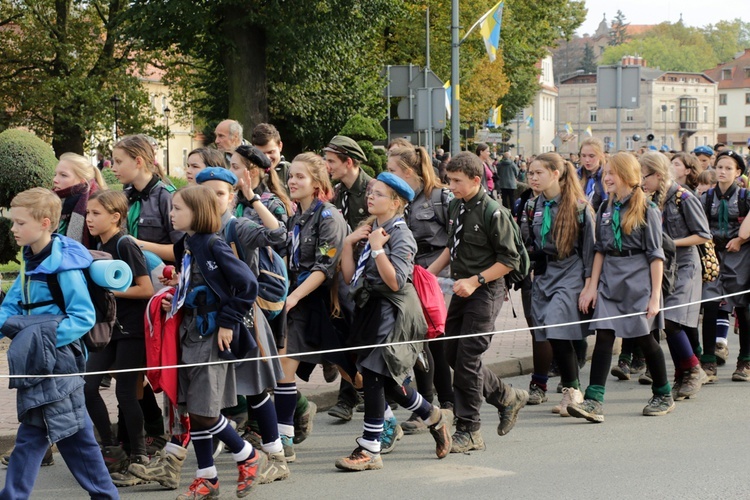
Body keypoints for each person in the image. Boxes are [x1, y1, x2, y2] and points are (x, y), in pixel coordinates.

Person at [0, 187, 119, 499]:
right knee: (73, 437)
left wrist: (41, 340)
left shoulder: (64, 267)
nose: (13, 229)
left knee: (35, 435)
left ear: (44, 223)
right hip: (40, 362)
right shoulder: (29, 260)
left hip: (58, 361)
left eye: (19, 223)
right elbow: (10, 309)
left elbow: (82, 317)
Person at [335, 173, 452, 471]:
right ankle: (433, 416)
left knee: (374, 375)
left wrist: (377, 248)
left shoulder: (400, 234)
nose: (370, 196)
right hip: (370, 309)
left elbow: (397, 281)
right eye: (371, 191)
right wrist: (348, 244)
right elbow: (350, 278)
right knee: (389, 384)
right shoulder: (372, 228)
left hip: (394, 312)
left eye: (379, 194)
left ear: (396, 202)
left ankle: (370, 449)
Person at [427, 152, 528, 452]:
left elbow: (509, 260)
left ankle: (470, 430)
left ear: (475, 179)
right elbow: (452, 247)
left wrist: (476, 281)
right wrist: (427, 275)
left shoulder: (494, 212)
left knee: (468, 359)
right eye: (449, 180)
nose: (451, 186)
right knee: (450, 352)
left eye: (457, 181)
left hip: (486, 289)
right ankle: (507, 396)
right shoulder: (457, 205)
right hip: (463, 288)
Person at [168, 185, 265, 499]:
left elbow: (247, 284)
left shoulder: (213, 244)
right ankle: (206, 476)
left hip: (211, 333)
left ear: (197, 213)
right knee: (193, 408)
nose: (172, 213)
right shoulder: (185, 243)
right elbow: (196, 281)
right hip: (188, 330)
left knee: (206, 410)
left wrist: (227, 323)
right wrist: (175, 280)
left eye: (177, 208)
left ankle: (246, 454)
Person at [571, 152, 673, 422]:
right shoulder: (605, 207)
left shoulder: (647, 209)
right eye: (605, 173)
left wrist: (654, 297)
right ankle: (594, 400)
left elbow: (656, 256)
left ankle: (663, 392)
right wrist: (591, 285)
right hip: (609, 279)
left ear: (627, 176)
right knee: (604, 334)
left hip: (637, 281)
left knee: (643, 338)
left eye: (611, 173)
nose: (606, 178)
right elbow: (599, 250)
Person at [275, 153, 348, 459]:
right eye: (291, 175)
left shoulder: (329, 217)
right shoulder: (295, 217)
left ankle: (405, 416)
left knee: (356, 374)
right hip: (300, 306)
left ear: (317, 183)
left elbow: (324, 267)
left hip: (325, 307)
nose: (292, 181)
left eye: (300, 177)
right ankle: (284, 442)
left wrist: (293, 297)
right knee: (283, 368)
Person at [82, 190, 155, 486]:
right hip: (107, 331)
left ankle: (139, 455)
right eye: (88, 213)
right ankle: (112, 447)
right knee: (87, 387)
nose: (89, 218)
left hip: (132, 331)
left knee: (126, 392)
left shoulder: (125, 244)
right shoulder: (97, 245)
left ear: (115, 217)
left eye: (95, 214)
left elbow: (146, 288)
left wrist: (111, 292)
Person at [386, 146, 455, 433]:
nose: (389, 175)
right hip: (412, 273)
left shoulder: (441, 197)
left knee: (436, 341)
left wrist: (431, 273)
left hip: (439, 274)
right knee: (417, 340)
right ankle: (425, 404)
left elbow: (454, 240)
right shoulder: (401, 200)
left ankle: (448, 403)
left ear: (408, 172)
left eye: (392, 170)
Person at [525, 153, 595, 416]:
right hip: (545, 273)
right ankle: (572, 388)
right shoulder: (533, 206)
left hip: (571, 271)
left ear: (556, 173)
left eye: (538, 173)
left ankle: (572, 391)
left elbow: (589, 249)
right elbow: (529, 242)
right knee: (546, 330)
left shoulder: (578, 207)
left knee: (557, 329)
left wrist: (589, 285)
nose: (533, 178)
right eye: (530, 173)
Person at [639, 152, 711, 399]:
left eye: (644, 176)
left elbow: (703, 235)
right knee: (665, 322)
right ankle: (682, 373)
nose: (641, 181)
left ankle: (693, 368)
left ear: (658, 175)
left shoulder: (684, 197)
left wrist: (670, 243)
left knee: (670, 320)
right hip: (665, 267)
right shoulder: (651, 198)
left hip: (685, 267)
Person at [325, 135, 373, 421]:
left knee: (365, 335)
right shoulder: (338, 192)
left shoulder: (373, 189)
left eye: (332, 161)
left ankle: (425, 398)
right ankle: (349, 395)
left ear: (349, 162)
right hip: (344, 273)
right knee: (347, 333)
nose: (327, 166)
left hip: (370, 274)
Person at [700, 150, 750, 382]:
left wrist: (740, 239)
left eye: (729, 168)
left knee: (742, 307)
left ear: (738, 172)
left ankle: (745, 361)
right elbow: (696, 223)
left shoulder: (744, 198)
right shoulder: (705, 197)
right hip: (713, 256)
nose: (723, 171)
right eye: (720, 166)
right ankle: (708, 362)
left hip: (738, 256)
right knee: (710, 306)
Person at [113, 134, 182, 263]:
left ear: (138, 161)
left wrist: (137, 245)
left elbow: (183, 249)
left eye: (118, 162)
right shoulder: (124, 197)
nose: (113, 168)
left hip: (160, 276)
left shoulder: (166, 197)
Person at [230, 144, 292, 232]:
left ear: (253, 172)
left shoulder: (271, 204)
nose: (229, 171)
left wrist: (253, 200)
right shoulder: (232, 200)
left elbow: (281, 236)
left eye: (235, 167)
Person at [53, 152, 107, 249]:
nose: (55, 179)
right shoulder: (49, 201)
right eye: (55, 174)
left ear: (82, 180)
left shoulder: (98, 204)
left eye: (63, 175)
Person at [251, 123, 291, 192]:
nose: (266, 158)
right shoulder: (249, 174)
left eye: (271, 152)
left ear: (280, 146)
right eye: (261, 154)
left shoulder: (291, 172)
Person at [578, 137, 608, 212]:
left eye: (591, 156)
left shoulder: (607, 176)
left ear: (601, 156)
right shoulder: (575, 176)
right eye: (583, 156)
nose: (587, 160)